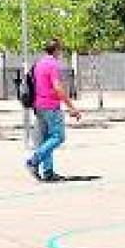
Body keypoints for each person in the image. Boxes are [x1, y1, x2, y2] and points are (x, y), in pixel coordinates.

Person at [26, 38, 81, 181]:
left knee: (46, 140)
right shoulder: (52, 65)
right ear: (56, 50)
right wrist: (71, 107)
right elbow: (57, 87)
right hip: (51, 107)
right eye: (60, 49)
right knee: (58, 137)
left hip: (38, 106)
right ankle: (33, 161)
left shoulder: (39, 64)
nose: (61, 52)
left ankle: (48, 172)